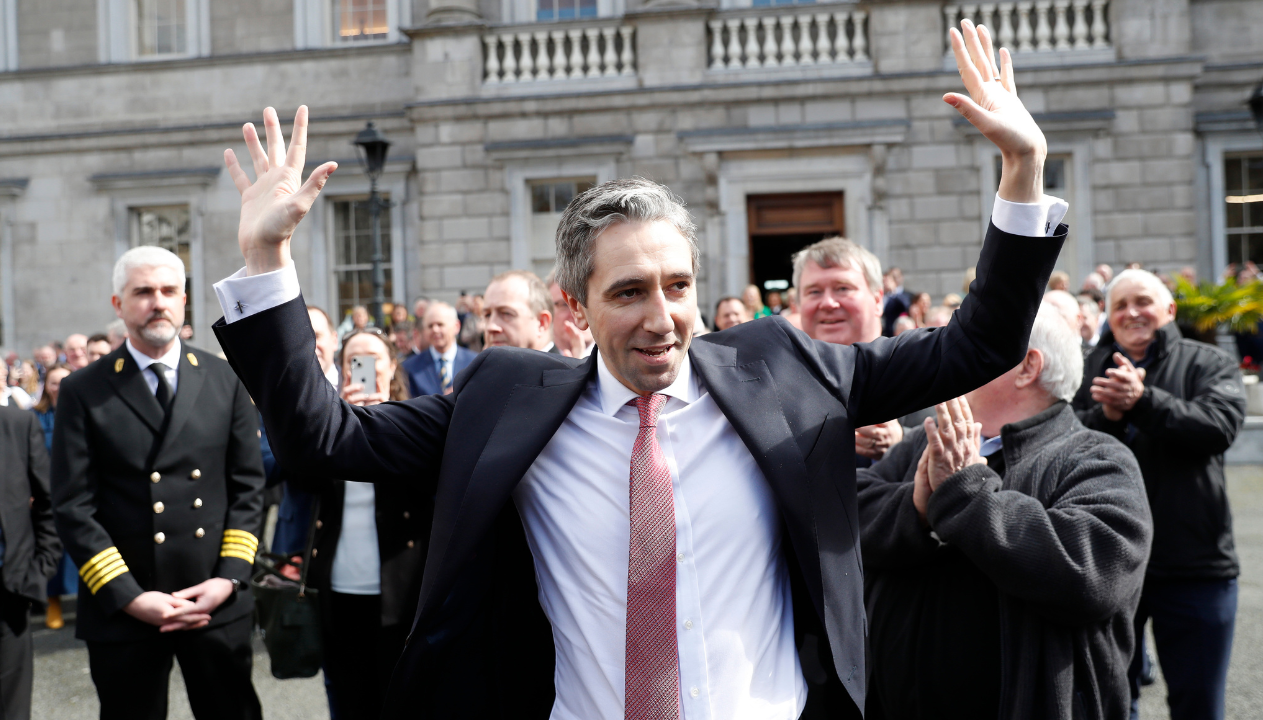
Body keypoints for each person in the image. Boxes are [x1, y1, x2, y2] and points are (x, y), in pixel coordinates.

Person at [214, 25, 1063, 714]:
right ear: (573, 308)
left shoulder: (787, 369)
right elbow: (321, 437)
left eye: (678, 286)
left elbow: (977, 347)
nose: (662, 319)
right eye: (628, 292)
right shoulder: (507, 401)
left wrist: (1022, 173)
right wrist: (266, 257)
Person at [859, 304, 1152, 720]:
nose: (946, 361)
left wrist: (967, 494)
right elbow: (848, 513)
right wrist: (916, 508)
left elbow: (1091, 573)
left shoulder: (1098, 458)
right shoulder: (925, 443)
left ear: (1027, 366)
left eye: (969, 348)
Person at [52, 246, 265, 720]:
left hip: (212, 599)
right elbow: (72, 506)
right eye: (143, 292)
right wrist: (129, 596)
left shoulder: (223, 379)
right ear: (118, 304)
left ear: (184, 300)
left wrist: (229, 577)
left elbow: (249, 488)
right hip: (127, 606)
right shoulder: (84, 390)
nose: (158, 302)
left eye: (169, 291)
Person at [1073, 269, 1247, 720]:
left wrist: (1143, 401)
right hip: (1107, 567)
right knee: (1110, 706)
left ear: (1169, 309)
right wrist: (1108, 415)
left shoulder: (1208, 363)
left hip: (1196, 565)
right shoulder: (1083, 370)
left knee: (1199, 706)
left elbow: (1218, 429)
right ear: (1107, 317)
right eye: (1120, 305)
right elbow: (1060, 443)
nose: (1132, 312)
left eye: (1143, 301)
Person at [303, 328, 433, 719]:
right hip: (339, 584)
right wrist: (340, 423)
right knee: (350, 698)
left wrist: (383, 422)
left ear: (391, 365)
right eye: (354, 362)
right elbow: (299, 477)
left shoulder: (417, 417)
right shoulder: (328, 425)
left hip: (401, 587)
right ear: (342, 372)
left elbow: (428, 490)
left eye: (374, 360)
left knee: (400, 699)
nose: (365, 370)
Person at [0, 391, 62, 719]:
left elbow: (49, 502)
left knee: (4, 707)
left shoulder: (13, 423)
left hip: (3, 587)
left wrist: (39, 569)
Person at [793, 237, 906, 463]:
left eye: (842, 288)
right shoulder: (779, 388)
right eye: (814, 292)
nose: (828, 303)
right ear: (797, 304)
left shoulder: (916, 371)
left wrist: (902, 448)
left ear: (877, 300)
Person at [272, 305, 341, 560]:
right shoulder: (278, 395)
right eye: (300, 338)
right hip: (297, 537)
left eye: (316, 335)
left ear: (334, 340)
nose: (309, 345)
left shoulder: (360, 389)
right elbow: (263, 465)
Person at [32, 364, 78, 631]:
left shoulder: (80, 409)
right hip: (47, 491)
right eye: (53, 382)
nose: (58, 387)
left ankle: (85, 601)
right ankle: (53, 601)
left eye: (63, 381)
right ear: (45, 386)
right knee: (52, 549)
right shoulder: (36, 417)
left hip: (77, 490)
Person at [401, 301, 477, 397]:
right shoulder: (410, 367)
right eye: (430, 326)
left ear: (456, 326)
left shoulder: (474, 362)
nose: (435, 330)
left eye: (440, 324)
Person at [482, 270, 555, 351]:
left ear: (541, 323)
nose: (491, 327)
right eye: (487, 315)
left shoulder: (561, 363)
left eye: (506, 313)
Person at [546, 276, 595, 359]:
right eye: (565, 305)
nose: (577, 313)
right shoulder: (537, 364)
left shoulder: (616, 363)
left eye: (584, 302)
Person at [881, 267, 910, 337]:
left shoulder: (906, 295)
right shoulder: (884, 296)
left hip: (898, 333)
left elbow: (906, 306)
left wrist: (893, 291)